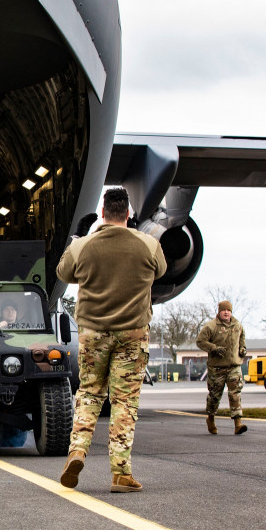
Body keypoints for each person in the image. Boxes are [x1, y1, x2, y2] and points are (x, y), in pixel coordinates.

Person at [56, 187, 167, 493]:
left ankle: (77, 451)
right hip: (132, 334)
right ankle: (120, 473)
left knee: (89, 394)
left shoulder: (85, 246)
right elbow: (161, 270)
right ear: (128, 214)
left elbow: (63, 272)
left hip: (93, 333)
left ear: (102, 214)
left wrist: (78, 238)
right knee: (124, 403)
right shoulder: (148, 244)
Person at [196, 301, 247, 435]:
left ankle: (238, 424)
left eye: (228, 310)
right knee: (214, 396)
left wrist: (242, 349)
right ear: (219, 312)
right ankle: (211, 418)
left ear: (231, 312)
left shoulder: (238, 325)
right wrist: (213, 348)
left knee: (235, 394)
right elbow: (200, 341)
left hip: (234, 366)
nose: (226, 312)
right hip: (217, 368)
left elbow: (242, 339)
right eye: (223, 310)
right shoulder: (211, 326)